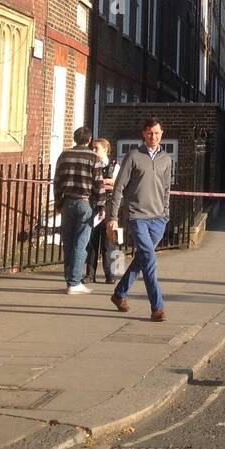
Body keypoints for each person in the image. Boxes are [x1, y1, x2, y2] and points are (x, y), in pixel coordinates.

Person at [106, 118, 173, 321]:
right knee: (150, 259)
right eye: (150, 133)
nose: (154, 137)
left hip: (158, 218)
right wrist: (113, 217)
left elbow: (166, 189)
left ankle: (119, 294)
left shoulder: (166, 159)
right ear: (144, 134)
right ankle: (157, 307)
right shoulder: (134, 156)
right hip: (137, 217)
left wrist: (166, 214)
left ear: (162, 134)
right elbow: (119, 188)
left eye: (157, 133)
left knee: (142, 258)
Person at [53, 126, 100, 296]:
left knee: (69, 241)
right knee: (81, 243)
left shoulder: (64, 155)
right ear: (89, 140)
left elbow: (57, 180)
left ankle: (69, 278)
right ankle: (74, 282)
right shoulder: (93, 157)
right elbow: (98, 183)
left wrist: (58, 201)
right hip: (84, 202)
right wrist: (101, 205)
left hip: (67, 201)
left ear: (75, 139)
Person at [84, 138, 118, 285]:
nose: (93, 151)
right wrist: (105, 182)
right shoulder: (90, 165)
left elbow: (116, 183)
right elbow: (88, 183)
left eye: (96, 148)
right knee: (92, 241)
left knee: (109, 241)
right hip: (93, 204)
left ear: (105, 150)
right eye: (92, 148)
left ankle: (110, 274)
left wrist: (101, 182)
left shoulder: (115, 165)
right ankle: (90, 274)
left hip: (109, 205)